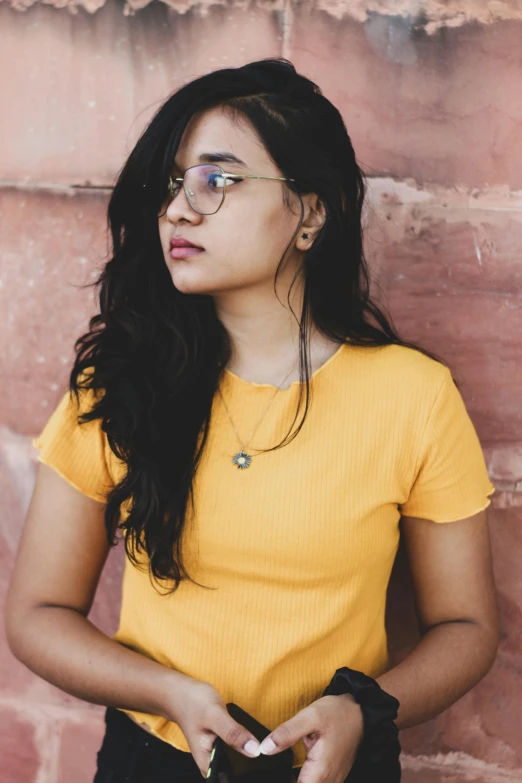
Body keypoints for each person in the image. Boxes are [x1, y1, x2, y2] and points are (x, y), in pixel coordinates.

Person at [5, 58, 499, 783]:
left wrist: (367, 706)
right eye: (173, 184)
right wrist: (166, 691)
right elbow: (37, 613)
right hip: (158, 761)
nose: (177, 209)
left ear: (310, 212)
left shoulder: (412, 395)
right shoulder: (122, 382)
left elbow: (468, 628)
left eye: (217, 180)